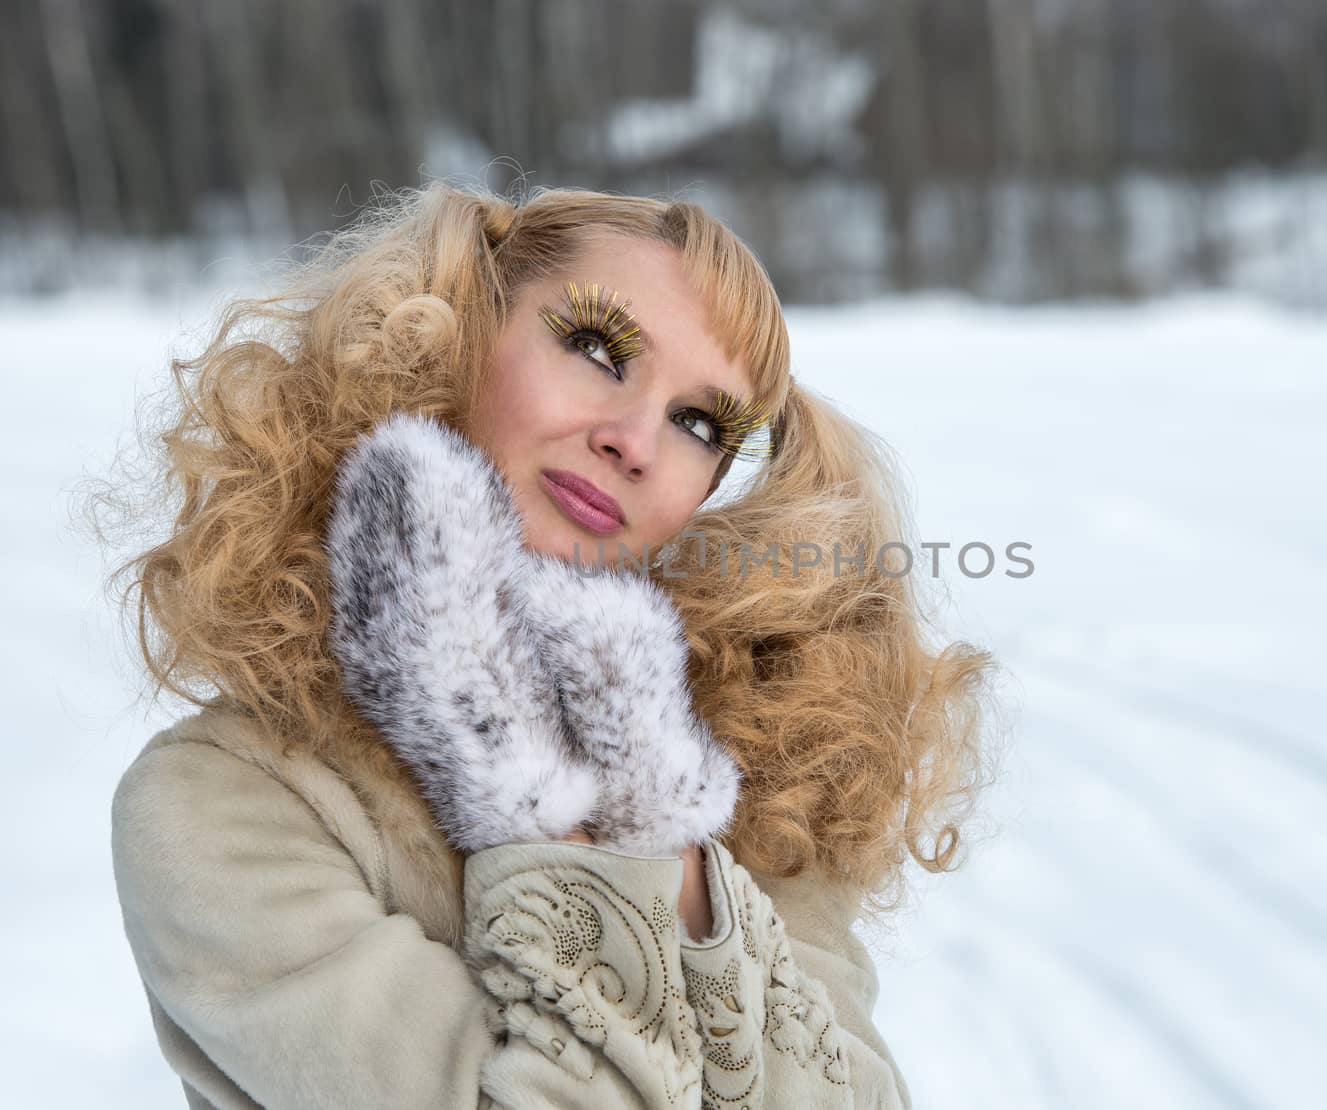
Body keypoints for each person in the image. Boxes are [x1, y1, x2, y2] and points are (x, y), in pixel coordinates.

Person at [105, 182, 999, 1109]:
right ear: (449, 335)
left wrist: (662, 821)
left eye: (698, 423)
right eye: (597, 348)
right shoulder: (220, 799)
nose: (634, 442)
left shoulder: (755, 770)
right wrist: (522, 787)